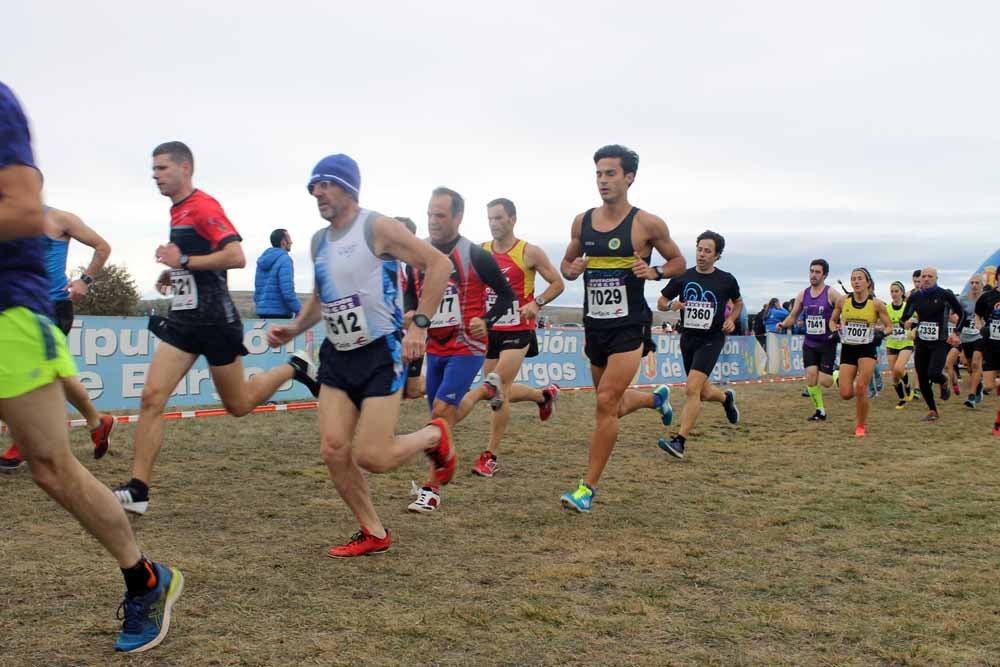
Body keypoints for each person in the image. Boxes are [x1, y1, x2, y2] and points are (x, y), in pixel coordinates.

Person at [0, 80, 182, 653]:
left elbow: (27, 212)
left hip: (15, 312)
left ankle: (145, 577)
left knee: (52, 468)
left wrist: (85, 281)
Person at [111, 142, 319, 515]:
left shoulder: (204, 206)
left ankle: (295, 367)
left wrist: (185, 260)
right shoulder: (177, 210)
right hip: (184, 321)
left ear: (185, 168)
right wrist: (173, 271)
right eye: (152, 169)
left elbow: (236, 256)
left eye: (162, 168)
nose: (155, 176)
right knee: (151, 398)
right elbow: (194, 262)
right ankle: (139, 489)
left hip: (217, 323)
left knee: (238, 404)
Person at [267, 153, 455, 556]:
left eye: (326, 184)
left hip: (379, 351)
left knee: (373, 456)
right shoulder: (319, 240)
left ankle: (434, 436)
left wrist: (420, 324)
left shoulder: (376, 226)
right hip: (338, 353)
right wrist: (296, 327)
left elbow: (439, 265)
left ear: (348, 187)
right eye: (313, 187)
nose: (317, 193)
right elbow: (322, 298)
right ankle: (374, 531)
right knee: (333, 450)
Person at [558, 144, 685, 513]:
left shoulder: (647, 224)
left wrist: (656, 272)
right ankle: (653, 399)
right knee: (609, 404)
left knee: (604, 402)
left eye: (610, 173)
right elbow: (566, 264)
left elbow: (678, 261)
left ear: (629, 177)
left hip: (630, 325)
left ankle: (587, 489)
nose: (603, 181)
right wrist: (572, 270)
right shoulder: (582, 222)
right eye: (599, 174)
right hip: (595, 325)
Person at [404, 187, 517, 513]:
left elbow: (507, 296)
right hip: (434, 346)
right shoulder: (420, 253)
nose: (433, 221)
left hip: (468, 345)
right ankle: (487, 388)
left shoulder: (476, 256)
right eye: (429, 214)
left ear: (457, 217)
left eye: (440, 215)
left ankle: (431, 489)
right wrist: (412, 313)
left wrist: (488, 319)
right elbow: (411, 293)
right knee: (440, 419)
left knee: (440, 415)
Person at [451, 197, 565, 477]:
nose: (494, 223)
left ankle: (490, 455)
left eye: (499, 218)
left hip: (518, 330)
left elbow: (558, 283)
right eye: (490, 218)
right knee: (500, 392)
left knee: (496, 386)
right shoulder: (481, 251)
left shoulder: (529, 252)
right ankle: (543, 396)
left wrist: (536, 303)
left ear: (513, 219)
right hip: (490, 331)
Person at [0, 206, 116, 471]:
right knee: (52, 374)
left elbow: (102, 246)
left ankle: (24, 440)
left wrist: (85, 281)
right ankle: (98, 422)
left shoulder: (59, 219)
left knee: (37, 372)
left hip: (51, 307)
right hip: (16, 311)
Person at [656, 231, 742, 458]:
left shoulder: (726, 280)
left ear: (717, 256)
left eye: (708, 251)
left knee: (691, 389)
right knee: (702, 392)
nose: (702, 255)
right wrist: (671, 305)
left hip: (712, 339)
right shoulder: (683, 276)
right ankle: (726, 398)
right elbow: (661, 302)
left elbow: (739, 303)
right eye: (699, 249)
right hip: (688, 338)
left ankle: (680, 442)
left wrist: (731, 320)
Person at [828, 268, 894, 437]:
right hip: (849, 348)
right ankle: (838, 376)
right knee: (846, 394)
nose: (856, 282)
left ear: (867, 282)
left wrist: (881, 334)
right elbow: (832, 321)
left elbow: (889, 327)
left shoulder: (877, 304)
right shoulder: (843, 301)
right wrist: (834, 330)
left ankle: (860, 426)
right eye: (853, 279)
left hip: (867, 348)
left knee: (861, 387)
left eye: (859, 278)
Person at [776, 259, 843, 421]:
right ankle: (820, 411)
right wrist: (782, 324)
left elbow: (846, 308)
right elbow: (793, 316)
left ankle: (837, 373)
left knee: (825, 381)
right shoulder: (803, 294)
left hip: (827, 342)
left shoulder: (831, 293)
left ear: (824, 275)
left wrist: (839, 326)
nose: (813, 275)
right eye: (811, 271)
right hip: (810, 343)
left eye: (817, 272)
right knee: (811, 378)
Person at [901, 267, 967, 422]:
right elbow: (904, 318)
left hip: (940, 342)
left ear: (936, 278)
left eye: (930, 276)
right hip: (922, 342)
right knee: (922, 377)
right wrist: (909, 324)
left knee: (934, 373)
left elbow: (963, 314)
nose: (926, 279)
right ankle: (932, 410)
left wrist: (956, 332)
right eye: (923, 276)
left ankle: (944, 382)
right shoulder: (915, 297)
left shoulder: (945, 295)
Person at [395, 216, 427, 400]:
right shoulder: (384, 263)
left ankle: (445, 383)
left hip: (412, 334)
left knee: (412, 391)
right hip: (392, 335)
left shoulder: (415, 266)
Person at [253, 228, 301, 319]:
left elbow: (258, 289)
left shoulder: (262, 260)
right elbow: (287, 292)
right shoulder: (285, 259)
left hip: (262, 315)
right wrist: (300, 310)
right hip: (280, 316)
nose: (291, 242)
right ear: (283, 242)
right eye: (289, 239)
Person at [885, 280, 917, 409]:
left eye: (896, 291)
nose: (894, 294)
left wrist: (914, 328)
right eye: (892, 291)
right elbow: (879, 322)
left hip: (906, 342)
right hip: (891, 343)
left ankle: (908, 386)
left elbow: (919, 320)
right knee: (894, 375)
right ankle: (902, 398)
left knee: (899, 368)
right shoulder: (886, 308)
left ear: (902, 293)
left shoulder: (908, 307)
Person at [973, 283, 1000, 435]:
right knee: (989, 386)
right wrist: (979, 325)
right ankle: (982, 385)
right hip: (991, 345)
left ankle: (998, 422)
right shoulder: (988, 297)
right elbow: (977, 314)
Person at [959, 274, 985, 408]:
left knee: (976, 364)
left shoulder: (987, 298)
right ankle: (979, 384)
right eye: (972, 283)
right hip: (966, 337)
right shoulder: (962, 299)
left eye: (977, 283)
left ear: (982, 285)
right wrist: (962, 323)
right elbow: (952, 314)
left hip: (980, 336)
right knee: (969, 367)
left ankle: (971, 396)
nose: (974, 285)